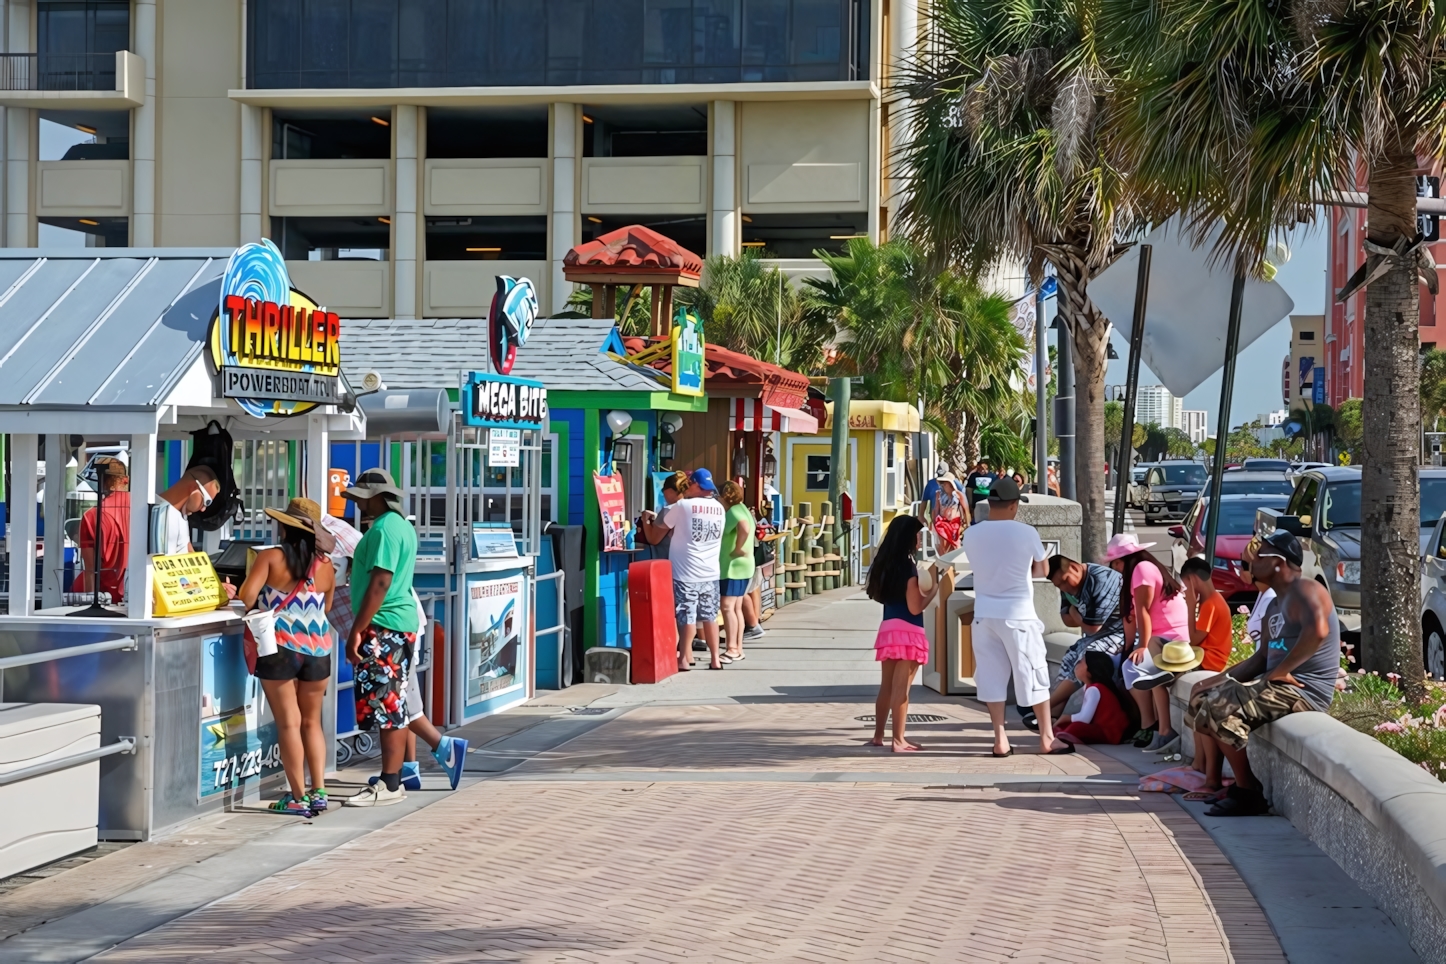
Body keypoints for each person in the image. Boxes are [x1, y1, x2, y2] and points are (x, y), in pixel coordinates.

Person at [1186, 530, 1340, 816]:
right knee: (1202, 698)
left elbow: (1318, 631)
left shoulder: (1307, 590)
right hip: (1278, 686)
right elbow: (1261, 658)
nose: (1250, 562)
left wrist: (1280, 672)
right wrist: (1217, 679)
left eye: (1258, 556)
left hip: (1304, 690)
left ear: (1278, 561)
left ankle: (1248, 793)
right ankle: (1222, 782)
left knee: (1221, 707)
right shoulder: (1273, 604)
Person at [342, 468, 465, 806]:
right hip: (398, 622)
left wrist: (357, 629)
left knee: (387, 704)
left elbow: (381, 582)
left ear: (379, 498)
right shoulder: (402, 528)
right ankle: (395, 775)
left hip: (383, 624)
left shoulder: (383, 530)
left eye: (364, 498)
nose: (360, 505)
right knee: (393, 702)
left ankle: (391, 782)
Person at [237, 499, 337, 815]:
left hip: (280, 648)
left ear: (285, 526)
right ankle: (319, 790)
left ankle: (297, 797)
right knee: (311, 722)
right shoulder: (326, 567)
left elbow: (246, 597)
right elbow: (328, 607)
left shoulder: (271, 557)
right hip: (319, 651)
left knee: (289, 724)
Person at [962, 477, 1071, 756]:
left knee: (991, 676)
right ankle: (1046, 738)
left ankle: (1000, 740)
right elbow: (1042, 570)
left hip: (984, 615)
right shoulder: (1026, 533)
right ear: (1013, 505)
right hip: (1018, 615)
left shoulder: (971, 534)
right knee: (1032, 674)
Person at [865, 515, 951, 752]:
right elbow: (915, 607)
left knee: (886, 687)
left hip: (888, 628)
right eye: (918, 535)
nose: (919, 540)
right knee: (902, 690)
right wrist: (933, 590)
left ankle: (878, 735)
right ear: (909, 538)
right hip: (909, 631)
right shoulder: (908, 568)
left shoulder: (884, 564)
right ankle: (898, 740)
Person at [1101, 533, 1190, 752]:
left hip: (1169, 638)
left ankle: (1161, 729)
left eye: (1115, 564)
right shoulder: (1143, 568)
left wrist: (1142, 646)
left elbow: (1143, 611)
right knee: (1131, 668)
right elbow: (1131, 616)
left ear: (1123, 560)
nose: (1115, 569)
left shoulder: (1141, 569)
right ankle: (1152, 725)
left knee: (1145, 671)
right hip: (1162, 637)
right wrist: (1128, 647)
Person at [639, 468, 726, 671]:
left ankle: (684, 658)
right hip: (711, 571)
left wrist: (647, 520)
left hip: (685, 571)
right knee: (710, 617)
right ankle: (715, 659)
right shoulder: (719, 507)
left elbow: (658, 530)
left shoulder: (682, 506)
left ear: (695, 485)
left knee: (686, 616)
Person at [1039, 554, 1125, 727]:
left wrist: (1075, 613)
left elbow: (1092, 627)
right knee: (1071, 654)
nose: (1064, 588)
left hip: (1122, 633)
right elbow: (1067, 620)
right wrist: (1079, 617)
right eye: (1059, 586)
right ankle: (1054, 711)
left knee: (1086, 657)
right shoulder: (1066, 585)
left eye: (1064, 582)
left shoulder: (1101, 580)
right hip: (1099, 634)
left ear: (1075, 567)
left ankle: (1045, 708)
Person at [76, 457, 130, 602]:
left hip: (106, 599)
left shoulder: (91, 517)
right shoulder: (145, 509)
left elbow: (90, 570)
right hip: (140, 596)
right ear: (126, 480)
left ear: (99, 481)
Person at [1055, 651, 1131, 745]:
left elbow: (1084, 719)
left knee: (1076, 727)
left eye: (1080, 662)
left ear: (1090, 671)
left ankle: (1066, 735)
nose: (1076, 665)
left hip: (1108, 733)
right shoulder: (1089, 687)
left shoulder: (1095, 689)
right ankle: (1064, 733)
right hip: (1099, 728)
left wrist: (1065, 718)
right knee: (1065, 726)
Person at [718, 481, 755, 664]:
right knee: (736, 607)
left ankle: (732, 648)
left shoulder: (733, 512)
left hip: (733, 566)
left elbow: (744, 527)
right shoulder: (743, 508)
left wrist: (738, 547)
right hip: (744, 566)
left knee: (726, 607)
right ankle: (738, 648)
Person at [1180, 556, 1234, 672]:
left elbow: (1193, 640)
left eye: (1185, 585)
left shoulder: (1211, 605)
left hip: (1209, 661)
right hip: (1204, 656)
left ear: (1193, 580)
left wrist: (1191, 605)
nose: (1185, 590)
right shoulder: (1213, 599)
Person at [151, 465, 221, 555]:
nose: (203, 509)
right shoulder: (157, 513)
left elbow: (188, 548)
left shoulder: (180, 516)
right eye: (206, 502)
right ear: (194, 488)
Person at [931, 473, 965, 552]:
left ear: (951, 485)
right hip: (943, 522)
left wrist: (964, 523)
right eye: (941, 483)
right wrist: (934, 522)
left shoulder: (958, 495)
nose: (943, 486)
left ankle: (955, 561)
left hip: (955, 523)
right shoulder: (939, 494)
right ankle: (944, 561)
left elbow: (963, 509)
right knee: (943, 541)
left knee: (955, 545)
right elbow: (936, 509)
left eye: (945, 484)